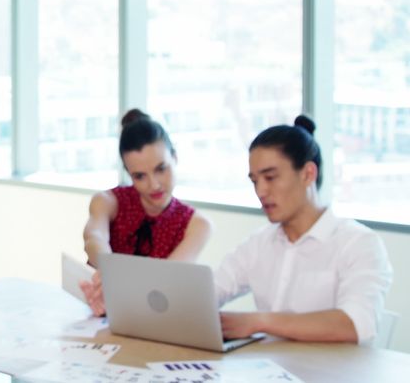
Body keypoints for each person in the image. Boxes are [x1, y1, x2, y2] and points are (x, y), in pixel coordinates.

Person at [216, 115, 393, 344]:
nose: (260, 191)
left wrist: (259, 321)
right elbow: (211, 289)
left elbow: (355, 324)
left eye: (270, 177)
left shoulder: (358, 243)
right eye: (254, 181)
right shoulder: (259, 243)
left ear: (308, 173)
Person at [80, 109, 212, 315]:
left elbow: (166, 279)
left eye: (161, 169)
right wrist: (110, 272)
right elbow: (93, 239)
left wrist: (114, 280)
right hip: (99, 317)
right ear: (128, 173)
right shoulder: (107, 201)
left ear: (175, 158)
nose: (154, 185)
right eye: (140, 176)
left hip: (155, 322)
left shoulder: (197, 225)